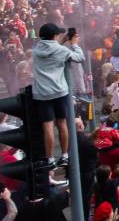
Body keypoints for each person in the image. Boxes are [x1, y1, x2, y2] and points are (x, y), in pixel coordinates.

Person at [31, 23, 84, 167]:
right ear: (54, 36)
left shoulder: (35, 50)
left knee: (47, 126)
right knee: (61, 123)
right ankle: (65, 155)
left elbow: (51, 50)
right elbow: (79, 57)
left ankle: (50, 158)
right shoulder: (62, 51)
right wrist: (73, 44)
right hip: (59, 91)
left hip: (41, 93)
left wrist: (63, 41)